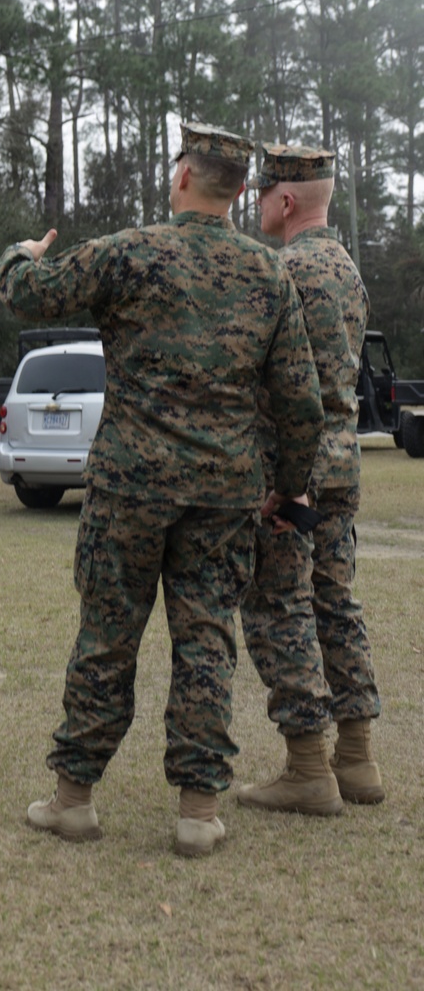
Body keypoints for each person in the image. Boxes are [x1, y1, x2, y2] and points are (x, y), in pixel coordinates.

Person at [0, 121, 325, 857]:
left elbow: (26, 292)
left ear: (182, 180)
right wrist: (290, 488)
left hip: (130, 488)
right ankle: (198, 812)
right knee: (207, 641)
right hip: (225, 491)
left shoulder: (130, 252)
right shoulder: (270, 274)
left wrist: (23, 252)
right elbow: (301, 402)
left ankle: (73, 801)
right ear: (241, 192)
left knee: (107, 635)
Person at [238, 144, 383, 812]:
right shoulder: (348, 270)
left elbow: (276, 383)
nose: (258, 205)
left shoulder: (282, 270)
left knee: (279, 609)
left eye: (263, 194)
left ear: (286, 200)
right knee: (335, 604)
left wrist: (277, 475)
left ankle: (308, 769)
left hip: (290, 470)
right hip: (341, 465)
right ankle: (356, 759)